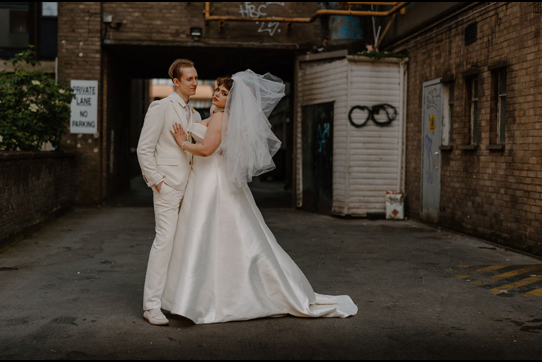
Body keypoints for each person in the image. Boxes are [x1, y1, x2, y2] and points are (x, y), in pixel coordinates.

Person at [162, 70, 358, 325]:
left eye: (223, 93)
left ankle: (199, 299)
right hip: (209, 180)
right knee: (220, 236)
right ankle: (202, 295)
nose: (217, 95)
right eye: (218, 91)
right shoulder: (222, 117)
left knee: (206, 235)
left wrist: (182, 142)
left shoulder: (221, 119)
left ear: (231, 100)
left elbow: (207, 149)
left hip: (212, 183)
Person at [137, 59, 201, 326]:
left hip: (190, 187)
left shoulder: (196, 115)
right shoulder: (160, 108)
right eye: (190, 79)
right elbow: (144, 148)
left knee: (183, 244)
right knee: (164, 243)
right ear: (176, 82)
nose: (195, 82)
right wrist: (157, 182)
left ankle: (172, 299)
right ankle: (151, 306)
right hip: (167, 186)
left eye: (197, 78)